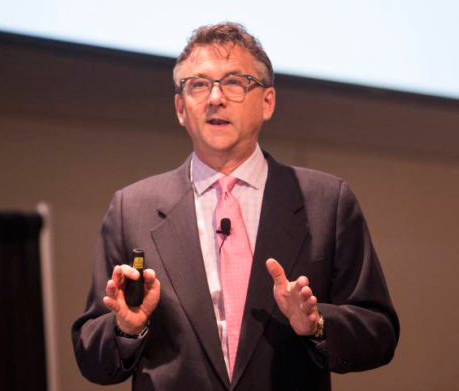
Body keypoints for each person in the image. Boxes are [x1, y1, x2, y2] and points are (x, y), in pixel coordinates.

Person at [72, 22, 399, 390]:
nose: (215, 98)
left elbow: (379, 332)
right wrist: (126, 330)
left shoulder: (327, 201)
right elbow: (91, 353)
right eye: (198, 84)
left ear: (267, 101)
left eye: (234, 82)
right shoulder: (132, 208)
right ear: (181, 108)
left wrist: (316, 323)